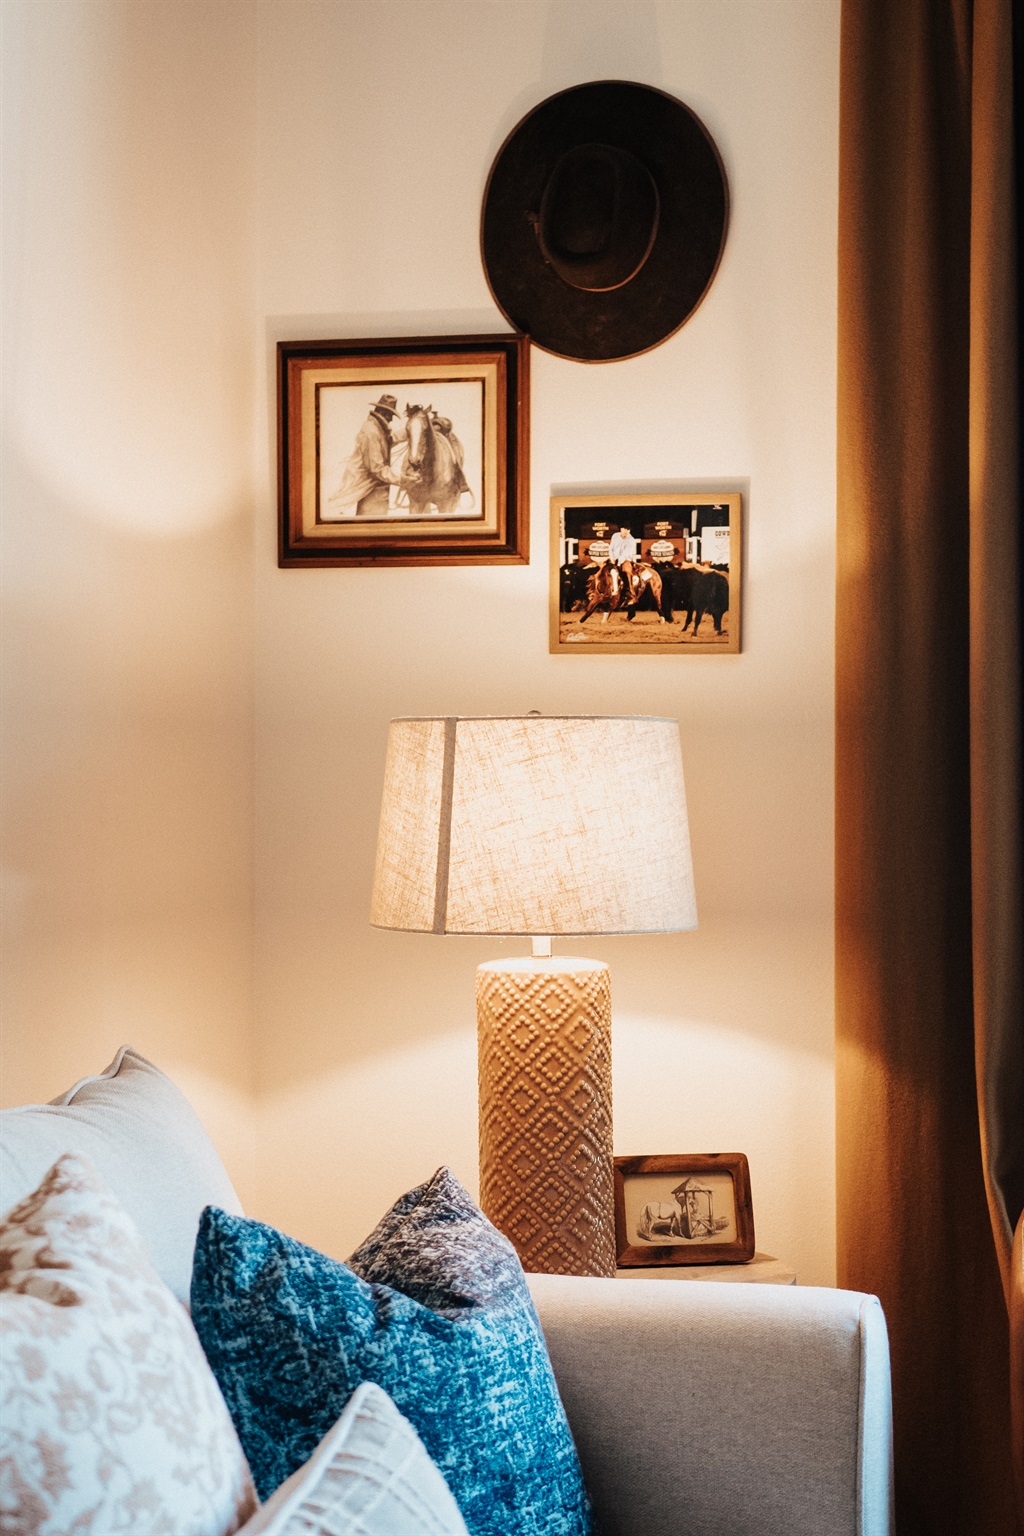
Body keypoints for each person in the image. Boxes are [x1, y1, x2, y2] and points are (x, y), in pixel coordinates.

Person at [330, 394, 405, 518]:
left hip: (374, 488)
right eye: (390, 415)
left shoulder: (377, 428)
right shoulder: (371, 431)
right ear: (382, 413)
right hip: (367, 488)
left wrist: (408, 430)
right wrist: (403, 480)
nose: (391, 419)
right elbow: (377, 469)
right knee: (372, 523)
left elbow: (388, 440)